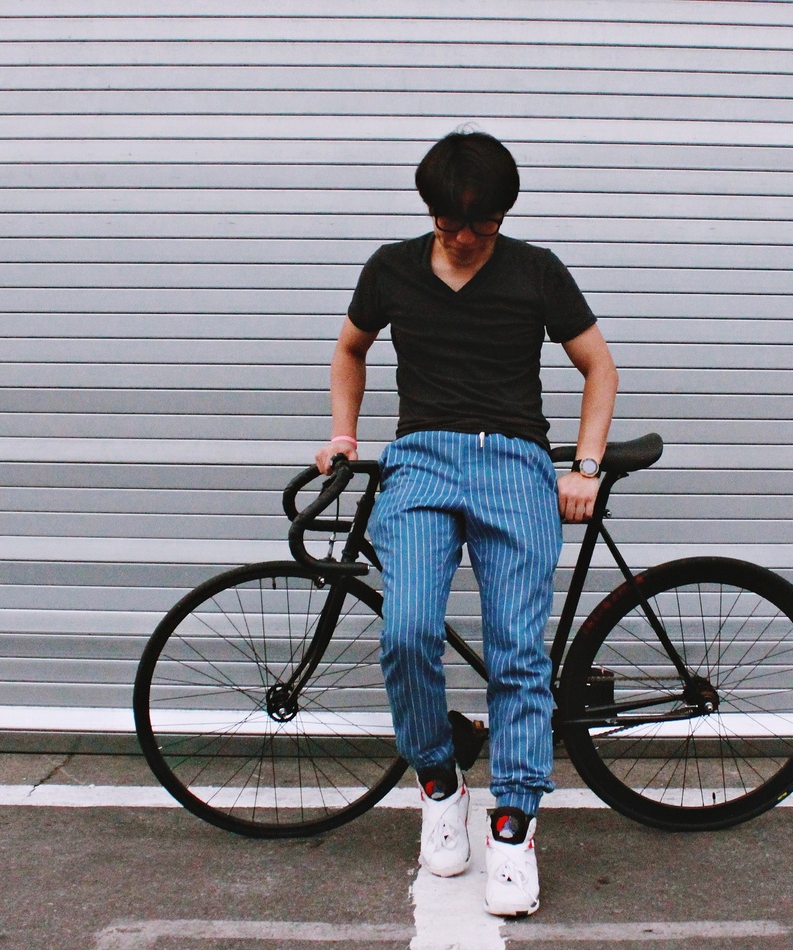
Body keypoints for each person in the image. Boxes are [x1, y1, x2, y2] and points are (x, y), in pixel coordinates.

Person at [315, 130, 617, 917]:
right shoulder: (391, 268)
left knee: (516, 651)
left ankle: (513, 827)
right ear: (432, 210)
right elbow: (350, 350)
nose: (463, 237)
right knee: (406, 630)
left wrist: (584, 467)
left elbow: (599, 367)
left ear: (503, 215)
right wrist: (344, 434)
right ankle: (439, 783)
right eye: (450, 221)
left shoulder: (536, 271)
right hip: (421, 461)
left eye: (481, 223)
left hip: (514, 463)